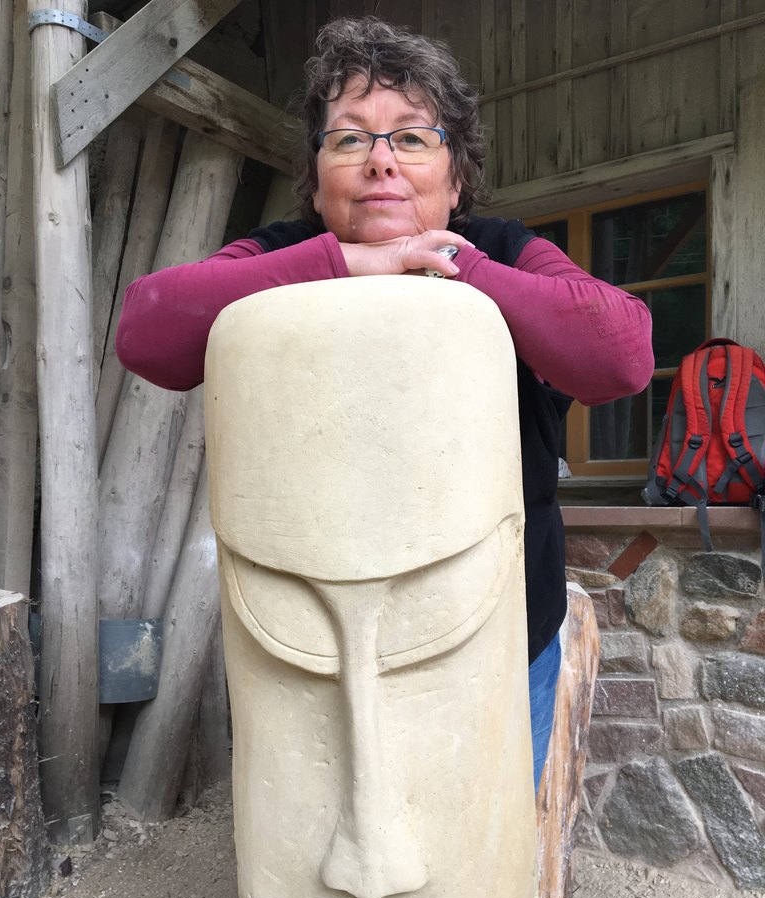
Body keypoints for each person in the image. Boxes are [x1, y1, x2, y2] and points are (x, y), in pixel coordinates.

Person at [116, 15, 654, 790]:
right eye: (348, 139)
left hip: (492, 632)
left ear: (456, 178)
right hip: (316, 639)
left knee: (485, 834)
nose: (380, 161)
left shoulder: (502, 249)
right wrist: (355, 259)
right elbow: (147, 328)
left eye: (411, 137)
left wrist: (454, 267)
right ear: (315, 180)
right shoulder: (283, 254)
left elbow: (622, 353)